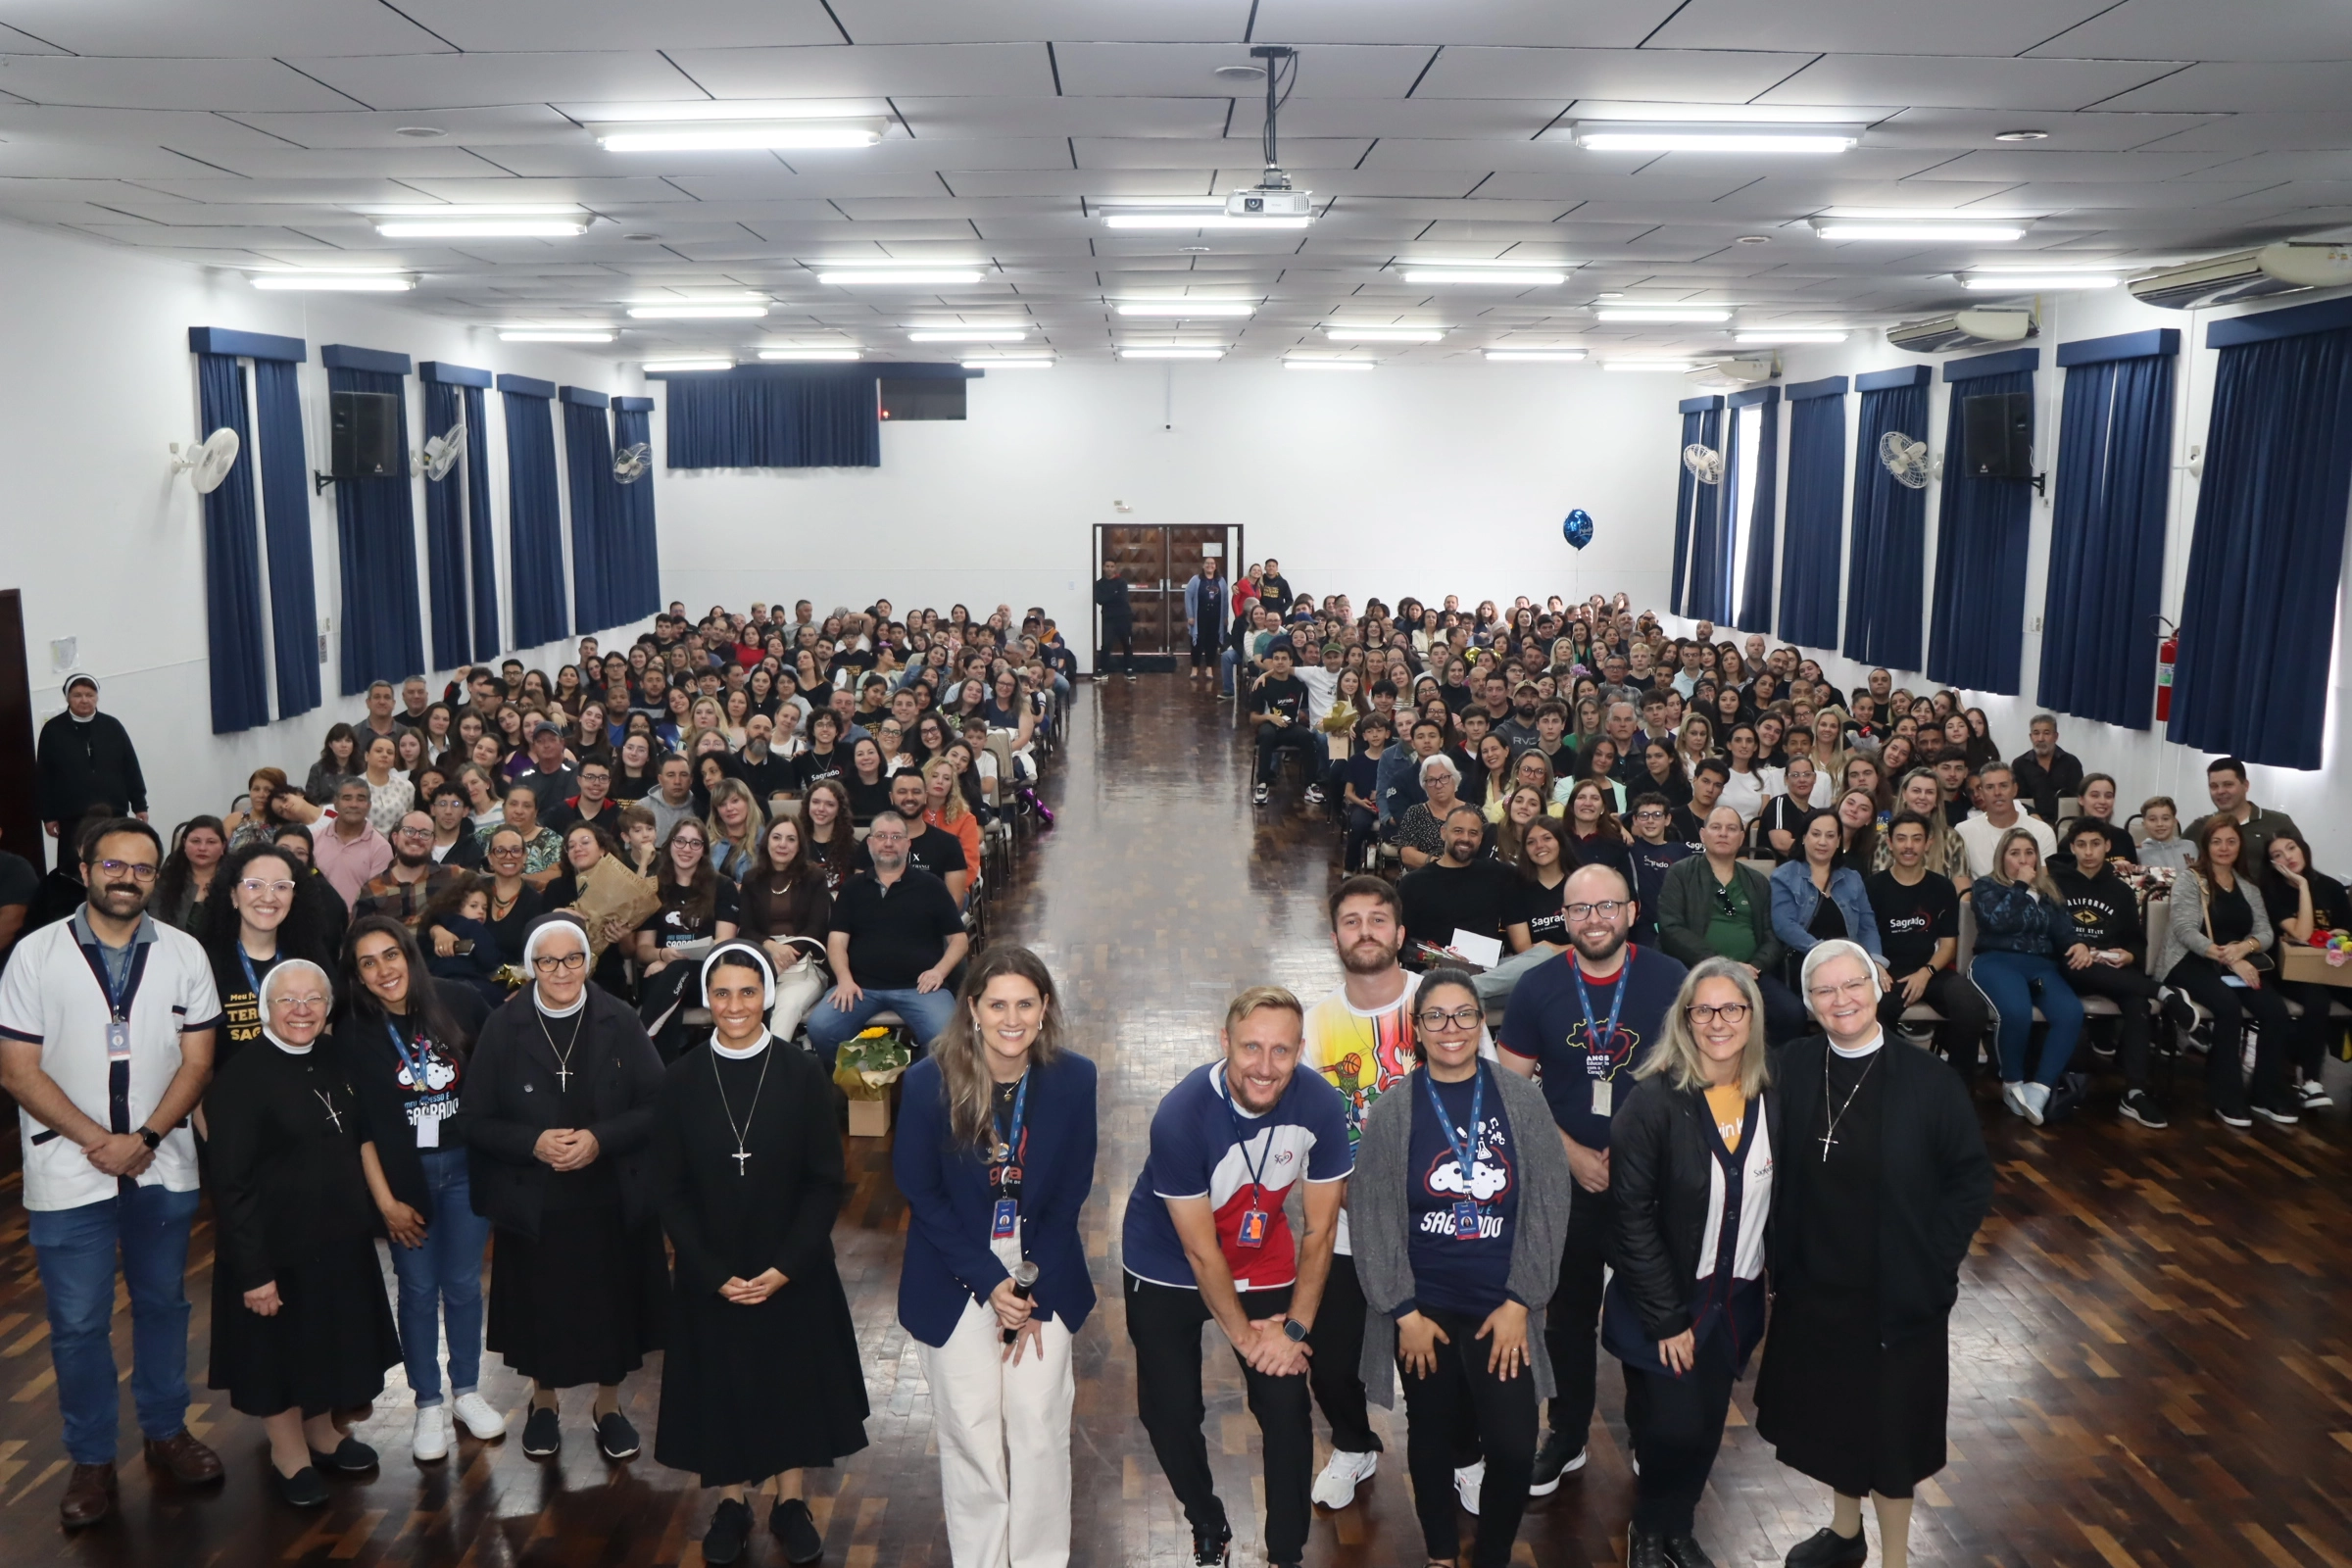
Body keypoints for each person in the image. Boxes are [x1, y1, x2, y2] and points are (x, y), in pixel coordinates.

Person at [0, 817, 225, 1526]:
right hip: (68, 1172)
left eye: (142, 868)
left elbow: (198, 1061)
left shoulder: (186, 953)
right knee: (74, 1324)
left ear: (157, 877)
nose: (128, 878)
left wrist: (148, 1136)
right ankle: (91, 1458)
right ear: (85, 867)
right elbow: (15, 1070)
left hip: (162, 1167)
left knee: (166, 1307)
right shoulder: (35, 955)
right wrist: (102, 1140)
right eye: (114, 865)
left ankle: (166, 1433)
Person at [1755, 941, 1992, 1568]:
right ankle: (1843, 1532)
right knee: (1833, 1416)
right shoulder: (1794, 1065)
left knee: (1892, 1434)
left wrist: (1934, 1262)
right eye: (1825, 991)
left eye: (1853, 984)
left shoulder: (1929, 1081)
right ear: (1808, 1004)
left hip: (1898, 1286)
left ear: (1878, 985)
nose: (1842, 1000)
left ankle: (1895, 1560)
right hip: (1817, 1281)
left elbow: (1971, 1181)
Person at [653, 944, 868, 1567]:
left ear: (768, 996)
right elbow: (668, 1189)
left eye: (748, 992)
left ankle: (791, 1501)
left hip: (789, 1264)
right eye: (721, 994)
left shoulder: (801, 1074)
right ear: (706, 999)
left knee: (789, 1382)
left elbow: (825, 1180)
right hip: (711, 1268)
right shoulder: (681, 1080)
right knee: (722, 1384)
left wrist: (787, 1266)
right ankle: (730, 1502)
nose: (735, 1006)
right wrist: (712, 1272)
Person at [1121, 986, 1350, 1568]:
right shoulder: (1180, 1115)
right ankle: (1208, 1522)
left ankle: (1286, 1554)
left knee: (1284, 1402)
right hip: (1167, 1262)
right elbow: (1200, 1254)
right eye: (1251, 1047)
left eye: (1281, 1051)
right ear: (1224, 1043)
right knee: (1168, 1413)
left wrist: (1293, 1330)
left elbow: (1320, 1232)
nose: (1265, 1067)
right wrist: (1249, 1339)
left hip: (1260, 1258)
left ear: (1301, 1050)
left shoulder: (1323, 1106)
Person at [1350, 967, 1572, 1568]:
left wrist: (1522, 1302)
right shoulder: (1395, 1109)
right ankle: (1442, 1554)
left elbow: (1551, 1203)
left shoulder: (1521, 1099)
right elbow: (1370, 1217)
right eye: (1437, 1017)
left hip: (1503, 1306)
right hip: (1426, 1312)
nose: (1452, 1028)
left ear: (1482, 1022)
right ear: (1417, 1029)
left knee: (1512, 1442)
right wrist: (1403, 1312)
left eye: (1465, 1015)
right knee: (1432, 1434)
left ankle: (1493, 1555)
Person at [894, 946, 1097, 1568]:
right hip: (954, 1269)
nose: (1013, 1019)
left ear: (1045, 1009)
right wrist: (989, 1281)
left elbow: (1070, 1193)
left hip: (1044, 1268)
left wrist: (1028, 1291)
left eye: (1026, 1004)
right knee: (971, 1436)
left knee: (1037, 1426)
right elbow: (919, 1191)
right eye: (997, 1004)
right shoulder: (926, 1080)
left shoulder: (1075, 1076)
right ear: (973, 1010)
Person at [1499, 864, 1688, 1495]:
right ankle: (1568, 1434)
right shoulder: (1537, 986)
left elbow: (1697, 1080)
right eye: (1579, 911)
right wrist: (1571, 1152)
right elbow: (1511, 1090)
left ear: (1632, 911)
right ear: (1565, 919)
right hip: (1566, 1178)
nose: (1593, 920)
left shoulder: (1670, 980)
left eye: (1606, 907)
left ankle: (1646, 1431)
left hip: (1650, 1182)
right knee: (1567, 1317)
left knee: (1648, 1310)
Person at [461, 915, 669, 1463]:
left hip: (608, 1191)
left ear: (589, 962)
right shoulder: (503, 1027)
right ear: (532, 966)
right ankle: (544, 1404)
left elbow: (656, 1106)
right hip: (535, 1196)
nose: (561, 971)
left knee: (611, 1307)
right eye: (548, 961)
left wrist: (600, 1140)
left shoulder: (620, 1019)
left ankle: (608, 1406)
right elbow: (475, 1118)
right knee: (540, 1310)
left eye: (572, 958)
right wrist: (532, 1142)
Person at [202, 957, 400, 1506]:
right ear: (266, 1006)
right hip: (273, 1249)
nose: (301, 1011)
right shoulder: (242, 1079)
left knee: (325, 1343)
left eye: (313, 1000)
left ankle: (322, 1434)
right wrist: (255, 1273)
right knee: (278, 1353)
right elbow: (231, 1184)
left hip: (336, 1240)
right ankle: (288, 1454)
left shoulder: (335, 1056)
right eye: (288, 1000)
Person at [1606, 959, 1775, 1568]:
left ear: (1752, 1016)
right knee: (1672, 1429)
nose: (1718, 1021)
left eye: (1732, 1008)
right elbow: (1630, 1220)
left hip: (1736, 1302)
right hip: (1668, 1301)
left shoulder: (1770, 1095)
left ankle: (1679, 1528)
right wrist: (1667, 1319)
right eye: (1702, 1010)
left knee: (1706, 1428)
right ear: (1684, 1020)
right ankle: (1647, 1531)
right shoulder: (1650, 1104)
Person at [1298, 879, 1457, 1511]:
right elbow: (1306, 1136)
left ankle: (1457, 1453)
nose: (1365, 931)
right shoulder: (1312, 1026)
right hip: (1344, 1226)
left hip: (1440, 1223)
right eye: (1351, 921)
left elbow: (1487, 1104)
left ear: (1398, 933)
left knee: (1438, 1364)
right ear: (1336, 936)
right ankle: (1354, 1443)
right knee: (1331, 1364)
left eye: (1378, 920)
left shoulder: (1441, 1002)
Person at [339, 916, 501, 1462]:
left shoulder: (460, 1001)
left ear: (410, 955)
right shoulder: (354, 1031)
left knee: (461, 1285)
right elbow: (359, 1130)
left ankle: (467, 1392)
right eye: (368, 963)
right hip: (404, 1179)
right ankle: (427, 1402)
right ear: (357, 976)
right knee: (414, 1288)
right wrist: (385, 1203)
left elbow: (494, 1078)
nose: (384, 971)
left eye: (391, 955)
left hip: (465, 1169)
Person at [2152, 815, 2299, 1129]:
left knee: (2274, 1011)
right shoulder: (2190, 879)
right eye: (2217, 841)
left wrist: (2245, 949)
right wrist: (2228, 957)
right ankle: (2225, 1096)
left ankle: (2265, 1093)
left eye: (2231, 841)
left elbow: (2266, 932)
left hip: (2236, 962)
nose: (2224, 847)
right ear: (2206, 845)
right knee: (2228, 1007)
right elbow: (2184, 930)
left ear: (2240, 846)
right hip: (2190, 962)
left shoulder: (2247, 886)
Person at [807, 809, 969, 1064]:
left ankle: (916, 1087)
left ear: (908, 844)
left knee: (946, 1036)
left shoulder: (931, 886)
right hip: (860, 987)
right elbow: (837, 941)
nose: (889, 843)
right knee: (821, 1028)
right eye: (881, 836)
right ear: (870, 843)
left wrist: (939, 971)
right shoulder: (852, 889)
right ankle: (857, 1085)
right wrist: (845, 979)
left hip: (920, 988)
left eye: (896, 836)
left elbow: (959, 940)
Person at [2050, 820, 2167, 1129]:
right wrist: (2077, 947)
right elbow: (2047, 933)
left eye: (2096, 844)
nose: (2089, 852)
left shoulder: (2120, 890)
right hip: (2067, 965)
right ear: (2072, 847)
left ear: (2107, 846)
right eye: (2082, 844)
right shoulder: (2055, 884)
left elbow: (2135, 941)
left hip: (2112, 969)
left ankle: (2135, 1091)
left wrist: (2129, 955)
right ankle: (2162, 992)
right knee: (2080, 964)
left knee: (2137, 1004)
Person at [1655, 807, 1803, 1044]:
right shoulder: (1681, 873)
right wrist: (1721, 964)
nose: (1723, 833)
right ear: (1703, 835)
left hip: (1750, 974)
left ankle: (1765, 1072)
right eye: (1716, 827)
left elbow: (1771, 935)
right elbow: (1670, 929)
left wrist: (1755, 966)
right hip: (1696, 970)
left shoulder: (1757, 881)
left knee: (1792, 1013)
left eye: (1731, 829)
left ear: (1742, 838)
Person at [1969, 829, 2086, 1127]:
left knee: (2070, 1013)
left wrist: (2079, 944)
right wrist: (2020, 885)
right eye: (2015, 853)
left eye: (2029, 853)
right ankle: (2012, 1083)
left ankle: (2041, 1088)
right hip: (1996, 960)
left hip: (2042, 966)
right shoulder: (1986, 886)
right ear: (2002, 857)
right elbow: (1996, 921)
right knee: (2016, 1011)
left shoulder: (2049, 892)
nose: (2024, 860)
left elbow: (2064, 933)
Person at [1866, 814, 1990, 1075]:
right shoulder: (1872, 887)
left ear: (1928, 844)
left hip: (1932, 971)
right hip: (1888, 974)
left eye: (1916, 838)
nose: (1908, 846)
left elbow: (1948, 945)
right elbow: (1863, 938)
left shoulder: (1942, 887)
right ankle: (1887, 1083)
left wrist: (1927, 973)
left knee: (1971, 1008)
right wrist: (1876, 967)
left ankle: (1957, 1086)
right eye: (1901, 838)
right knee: (1875, 1009)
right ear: (1889, 843)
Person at [2260, 830, 2346, 1112]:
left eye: (2291, 848)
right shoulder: (2272, 891)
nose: (2288, 857)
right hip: (2289, 970)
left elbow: (2347, 927)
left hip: (2332, 965)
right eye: (2277, 855)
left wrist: (2340, 933)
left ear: (2303, 849)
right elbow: (2302, 931)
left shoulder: (2332, 887)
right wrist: (2303, 887)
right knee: (2317, 1000)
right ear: (2272, 863)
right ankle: (2311, 1081)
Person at [737, 816, 834, 1041]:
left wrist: (788, 953)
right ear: (766, 841)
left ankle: (771, 1068)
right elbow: (747, 929)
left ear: (799, 846)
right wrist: (771, 948)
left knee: (786, 1006)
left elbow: (816, 927)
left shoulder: (815, 877)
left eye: (791, 839)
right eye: (777, 837)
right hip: (763, 961)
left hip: (807, 964)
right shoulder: (751, 879)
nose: (783, 844)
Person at [1770, 812, 1886, 983]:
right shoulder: (1783, 876)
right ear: (1804, 837)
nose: (1823, 842)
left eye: (1830, 836)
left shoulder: (1852, 878)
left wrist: (1875, 961)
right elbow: (1784, 925)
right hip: (1805, 958)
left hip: (1849, 960)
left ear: (1838, 841)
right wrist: (1824, 951)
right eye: (1816, 834)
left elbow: (1867, 926)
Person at [1398, 805, 1518, 971]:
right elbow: (1402, 944)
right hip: (1435, 975)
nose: (1466, 838)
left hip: (1488, 973)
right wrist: (1430, 959)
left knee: (1540, 956)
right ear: (1443, 832)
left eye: (1473, 833)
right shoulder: (1413, 883)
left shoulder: (1497, 873)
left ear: (1481, 838)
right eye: (1458, 831)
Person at [36, 675, 149, 840]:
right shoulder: (53, 730)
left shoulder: (112, 726)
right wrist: (48, 816)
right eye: (77, 695)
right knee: (76, 864)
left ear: (97, 697)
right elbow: (44, 777)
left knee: (113, 861)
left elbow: (130, 767)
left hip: (113, 814)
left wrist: (140, 805)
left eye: (90, 695)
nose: (84, 700)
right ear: (67, 698)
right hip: (71, 818)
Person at [357, 810, 464, 927]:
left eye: (425, 834)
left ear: (434, 843)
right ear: (395, 838)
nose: (416, 837)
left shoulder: (454, 876)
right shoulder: (371, 890)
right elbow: (360, 937)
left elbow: (483, 888)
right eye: (409, 831)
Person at [2196, 757, 2302, 872]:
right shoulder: (2201, 827)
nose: (2220, 791)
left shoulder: (2278, 822)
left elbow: (2303, 866)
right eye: (2214, 786)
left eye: (2228, 784)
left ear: (2246, 785)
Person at [1949, 764, 2052, 880]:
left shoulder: (2042, 831)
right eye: (1990, 787)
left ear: (2015, 789)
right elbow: (1961, 883)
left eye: (2003, 786)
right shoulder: (1963, 831)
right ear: (1982, 793)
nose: (1997, 792)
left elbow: (2045, 883)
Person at [1250, 646, 1323, 809]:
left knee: (1307, 736)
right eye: (1276, 658)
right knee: (1267, 735)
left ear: (1290, 662)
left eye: (1284, 659)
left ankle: (1311, 785)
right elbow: (1253, 718)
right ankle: (1262, 784)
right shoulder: (1262, 684)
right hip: (1269, 726)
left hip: (1291, 727)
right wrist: (1269, 717)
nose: (1280, 662)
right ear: (1272, 661)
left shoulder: (1298, 682)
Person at [310, 777, 395, 910]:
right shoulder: (313, 840)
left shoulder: (381, 847)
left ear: (369, 805)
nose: (353, 804)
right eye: (347, 798)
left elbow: (379, 899)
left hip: (359, 926)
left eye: (360, 799)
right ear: (335, 803)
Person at [2008, 713, 2082, 824]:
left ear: (2056, 736)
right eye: (2036, 733)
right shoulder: (2020, 764)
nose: (2040, 739)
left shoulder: (2071, 763)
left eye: (2046, 733)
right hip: (2031, 822)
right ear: (2030, 736)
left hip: (2065, 823)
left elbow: (2077, 799)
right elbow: (2018, 801)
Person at [1185, 556, 1228, 684]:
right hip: (1199, 617)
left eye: (1212, 563)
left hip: (1215, 617)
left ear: (1216, 566)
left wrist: (1225, 616)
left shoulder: (1221, 581)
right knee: (1197, 642)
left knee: (1212, 643)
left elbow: (1225, 600)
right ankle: (1195, 668)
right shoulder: (1195, 580)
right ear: (1203, 566)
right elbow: (1188, 597)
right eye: (1207, 563)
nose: (1210, 565)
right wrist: (1190, 616)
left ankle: (1209, 668)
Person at [1094, 558, 1137, 681]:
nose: (1109, 569)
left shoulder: (1121, 582)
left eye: (1112, 566)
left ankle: (1129, 669)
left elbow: (1122, 598)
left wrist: (1110, 596)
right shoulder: (1099, 584)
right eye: (1107, 566)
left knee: (1126, 644)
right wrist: (1114, 594)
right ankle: (1103, 670)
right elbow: (1100, 600)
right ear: (1103, 567)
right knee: (1106, 644)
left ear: (1115, 568)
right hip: (1108, 618)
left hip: (1124, 617)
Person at [2134, 796, 2195, 872]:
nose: (2159, 824)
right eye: (2152, 819)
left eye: (2165, 819)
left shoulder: (2190, 846)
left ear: (2174, 822)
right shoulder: (2138, 852)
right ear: (2144, 824)